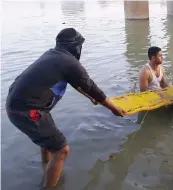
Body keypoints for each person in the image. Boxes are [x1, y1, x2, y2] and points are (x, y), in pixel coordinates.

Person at [5, 28, 126, 188]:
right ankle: (50, 187)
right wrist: (113, 108)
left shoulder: (54, 55)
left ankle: (47, 167)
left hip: (16, 105)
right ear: (75, 47)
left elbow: (77, 82)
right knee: (62, 150)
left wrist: (89, 98)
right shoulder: (69, 61)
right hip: (28, 111)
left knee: (49, 142)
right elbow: (91, 87)